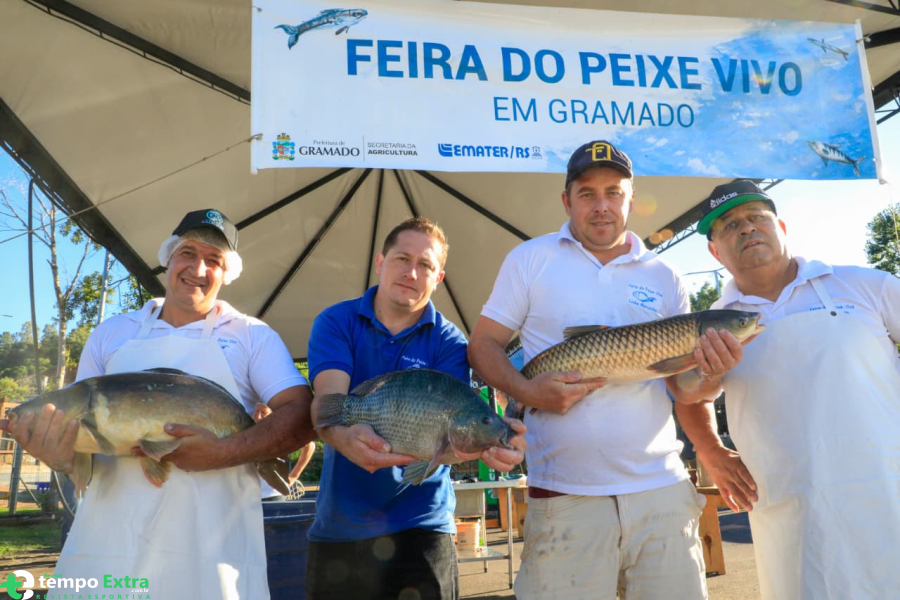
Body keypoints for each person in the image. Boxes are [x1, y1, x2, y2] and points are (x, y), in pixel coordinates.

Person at [1, 208, 315, 599]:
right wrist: (60, 456)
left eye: (213, 259)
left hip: (211, 553)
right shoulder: (111, 333)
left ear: (227, 271)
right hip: (111, 544)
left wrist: (223, 451)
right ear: (168, 257)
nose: (198, 268)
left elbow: (302, 415)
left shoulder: (253, 336)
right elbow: (83, 453)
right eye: (187, 253)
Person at [468, 141, 716, 600]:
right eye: (587, 194)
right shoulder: (530, 259)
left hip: (661, 491)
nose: (601, 206)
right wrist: (528, 391)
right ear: (567, 201)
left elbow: (683, 390)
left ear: (630, 199)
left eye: (613, 192)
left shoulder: (666, 276)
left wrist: (712, 375)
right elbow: (482, 345)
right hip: (564, 495)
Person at [672, 180, 900, 599]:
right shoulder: (709, 324)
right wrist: (712, 453)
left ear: (780, 226)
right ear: (714, 250)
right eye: (729, 225)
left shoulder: (865, 286)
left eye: (756, 218)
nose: (745, 229)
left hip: (886, 491)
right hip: (789, 504)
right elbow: (685, 394)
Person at [306, 216, 526, 600]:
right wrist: (341, 435)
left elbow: (450, 438)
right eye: (402, 258)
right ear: (380, 262)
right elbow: (328, 405)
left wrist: (488, 443)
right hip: (341, 525)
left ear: (438, 277)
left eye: (425, 265)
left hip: (422, 525)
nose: (411, 272)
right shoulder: (336, 321)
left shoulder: (450, 340)